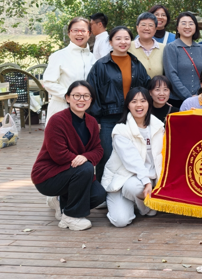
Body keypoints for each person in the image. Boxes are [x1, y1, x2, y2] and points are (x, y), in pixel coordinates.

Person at [31, 81, 106, 231]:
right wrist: (84, 161)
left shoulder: (91, 122)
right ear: (67, 98)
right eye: (76, 95)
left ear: (91, 99)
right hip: (48, 175)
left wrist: (85, 157)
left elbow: (98, 150)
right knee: (86, 168)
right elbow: (59, 155)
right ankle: (71, 217)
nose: (81, 99)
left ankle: (62, 205)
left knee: (98, 195)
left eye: (86, 96)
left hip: (74, 173)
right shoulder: (57, 120)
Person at [87, 26, 152, 181]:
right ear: (110, 42)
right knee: (107, 155)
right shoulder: (101, 65)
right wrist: (95, 119)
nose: (123, 42)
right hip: (107, 118)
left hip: (132, 118)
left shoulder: (136, 63)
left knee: (132, 155)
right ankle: (103, 190)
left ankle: (127, 189)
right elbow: (92, 92)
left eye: (126, 38)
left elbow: (146, 87)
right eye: (118, 38)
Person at [101, 87, 164, 227]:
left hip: (148, 180)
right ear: (128, 105)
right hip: (123, 179)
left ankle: (141, 204)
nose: (139, 105)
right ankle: (145, 206)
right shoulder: (121, 130)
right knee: (120, 221)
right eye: (134, 101)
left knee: (136, 187)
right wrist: (146, 183)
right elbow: (133, 161)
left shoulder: (159, 127)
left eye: (143, 100)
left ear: (149, 103)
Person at [43, 17, 96, 121]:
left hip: (85, 111)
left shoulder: (93, 58)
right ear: (69, 33)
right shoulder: (59, 56)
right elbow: (49, 82)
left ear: (89, 34)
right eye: (75, 30)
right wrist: (70, 96)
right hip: (61, 108)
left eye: (83, 31)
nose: (79, 34)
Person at [162, 12, 202, 108]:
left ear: (195, 27)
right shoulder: (171, 48)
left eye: (191, 24)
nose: (187, 26)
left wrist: (199, 95)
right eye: (183, 23)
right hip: (176, 101)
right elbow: (171, 75)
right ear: (177, 28)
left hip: (200, 100)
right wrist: (189, 97)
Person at [129, 12, 164, 78]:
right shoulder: (128, 47)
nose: (147, 28)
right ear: (137, 27)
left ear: (155, 29)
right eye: (143, 25)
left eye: (151, 25)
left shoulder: (164, 48)